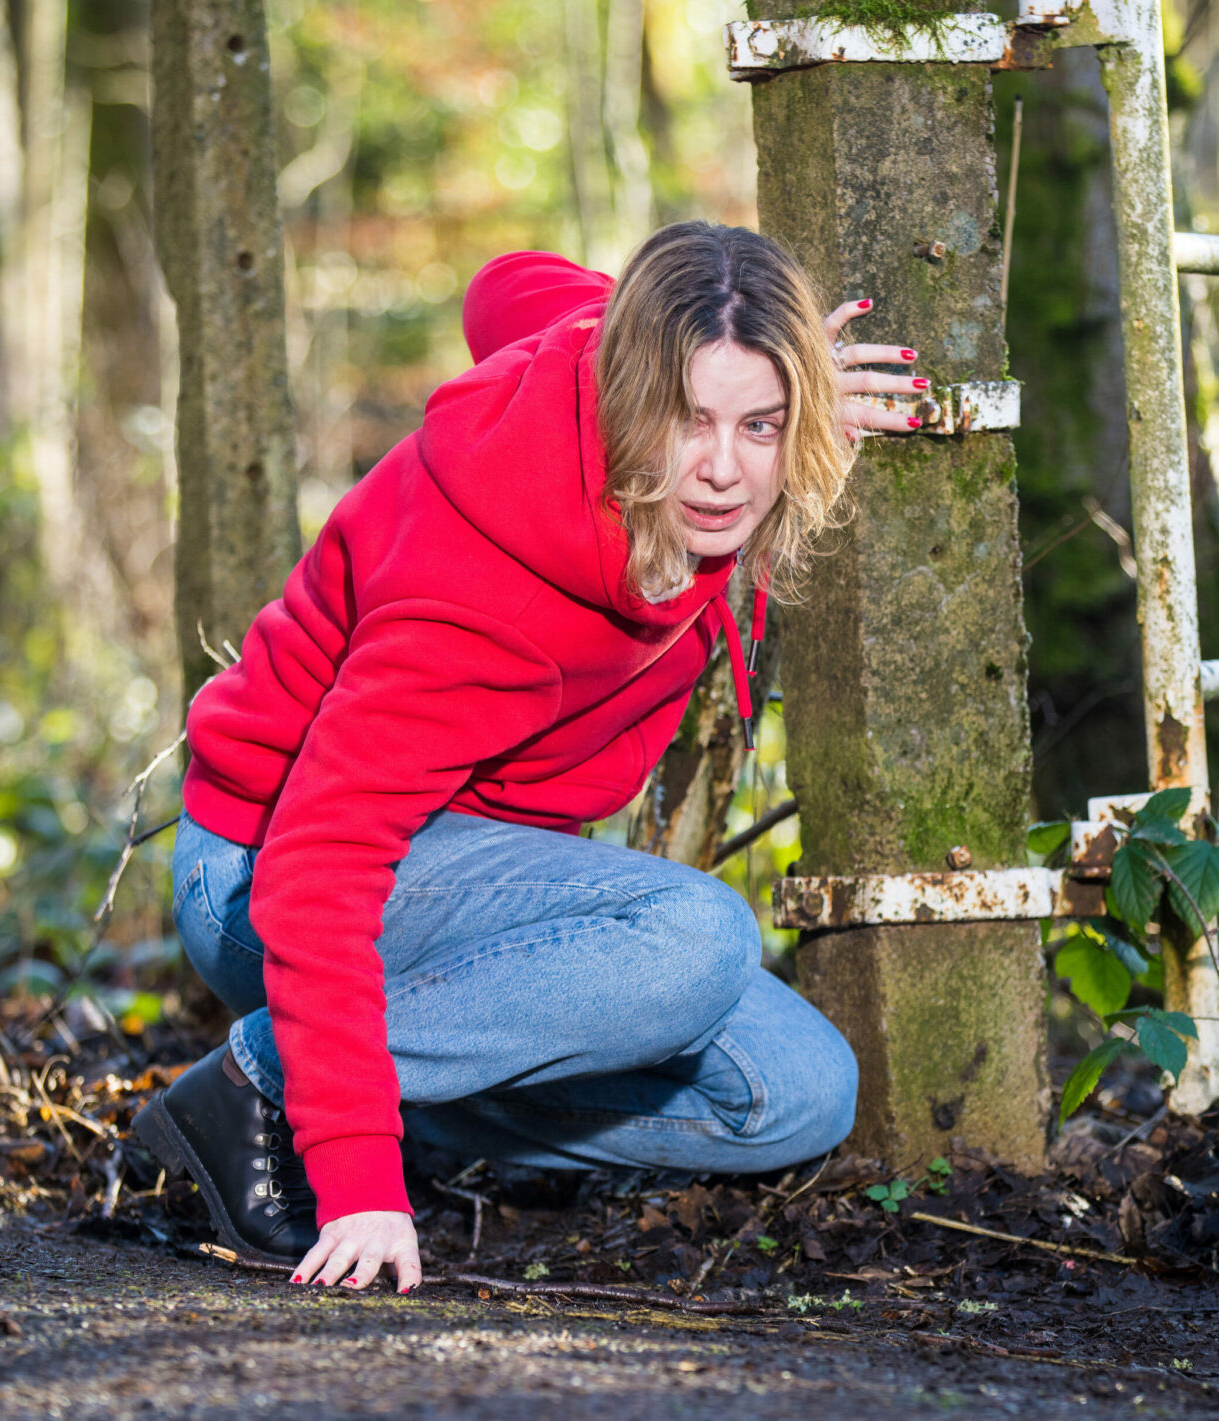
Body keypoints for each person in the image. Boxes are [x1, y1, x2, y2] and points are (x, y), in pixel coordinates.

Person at [134, 221, 925, 1295]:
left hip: (451, 864)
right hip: (262, 871)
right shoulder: (482, 593)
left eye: (765, 423)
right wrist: (361, 1176)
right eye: (690, 420)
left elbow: (504, 284)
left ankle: (354, 1079)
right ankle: (263, 1086)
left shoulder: (596, 346)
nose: (726, 472)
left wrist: (762, 354)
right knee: (693, 936)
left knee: (797, 1090)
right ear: (627, 389)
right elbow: (319, 864)